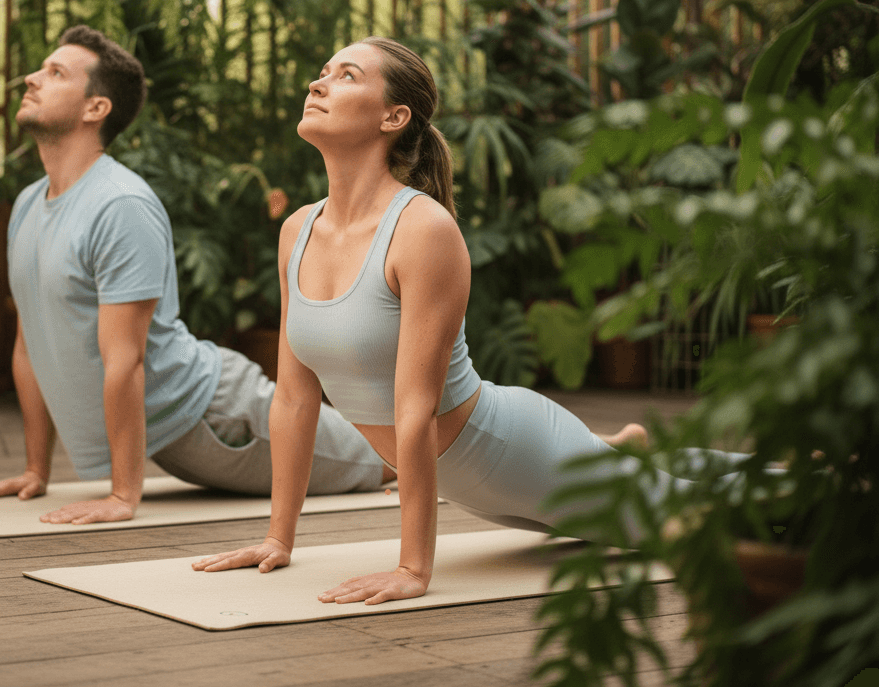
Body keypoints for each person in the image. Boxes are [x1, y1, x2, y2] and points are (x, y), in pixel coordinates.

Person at [190, 36, 756, 603]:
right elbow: (293, 396)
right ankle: (619, 451)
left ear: (395, 116)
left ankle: (827, 482)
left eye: (346, 75)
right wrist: (277, 538)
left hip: (514, 452)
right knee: (644, 497)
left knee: (709, 522)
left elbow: (415, 408)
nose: (318, 83)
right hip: (471, 487)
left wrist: (412, 569)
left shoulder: (421, 230)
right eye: (322, 70)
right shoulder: (297, 230)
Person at [0, 26, 392, 524]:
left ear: (95, 108)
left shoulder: (119, 204)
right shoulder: (28, 204)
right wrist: (37, 471)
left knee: (391, 460)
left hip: (219, 418)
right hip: (176, 436)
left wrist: (123, 496)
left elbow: (126, 358)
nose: (32, 78)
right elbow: (28, 343)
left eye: (55, 72)